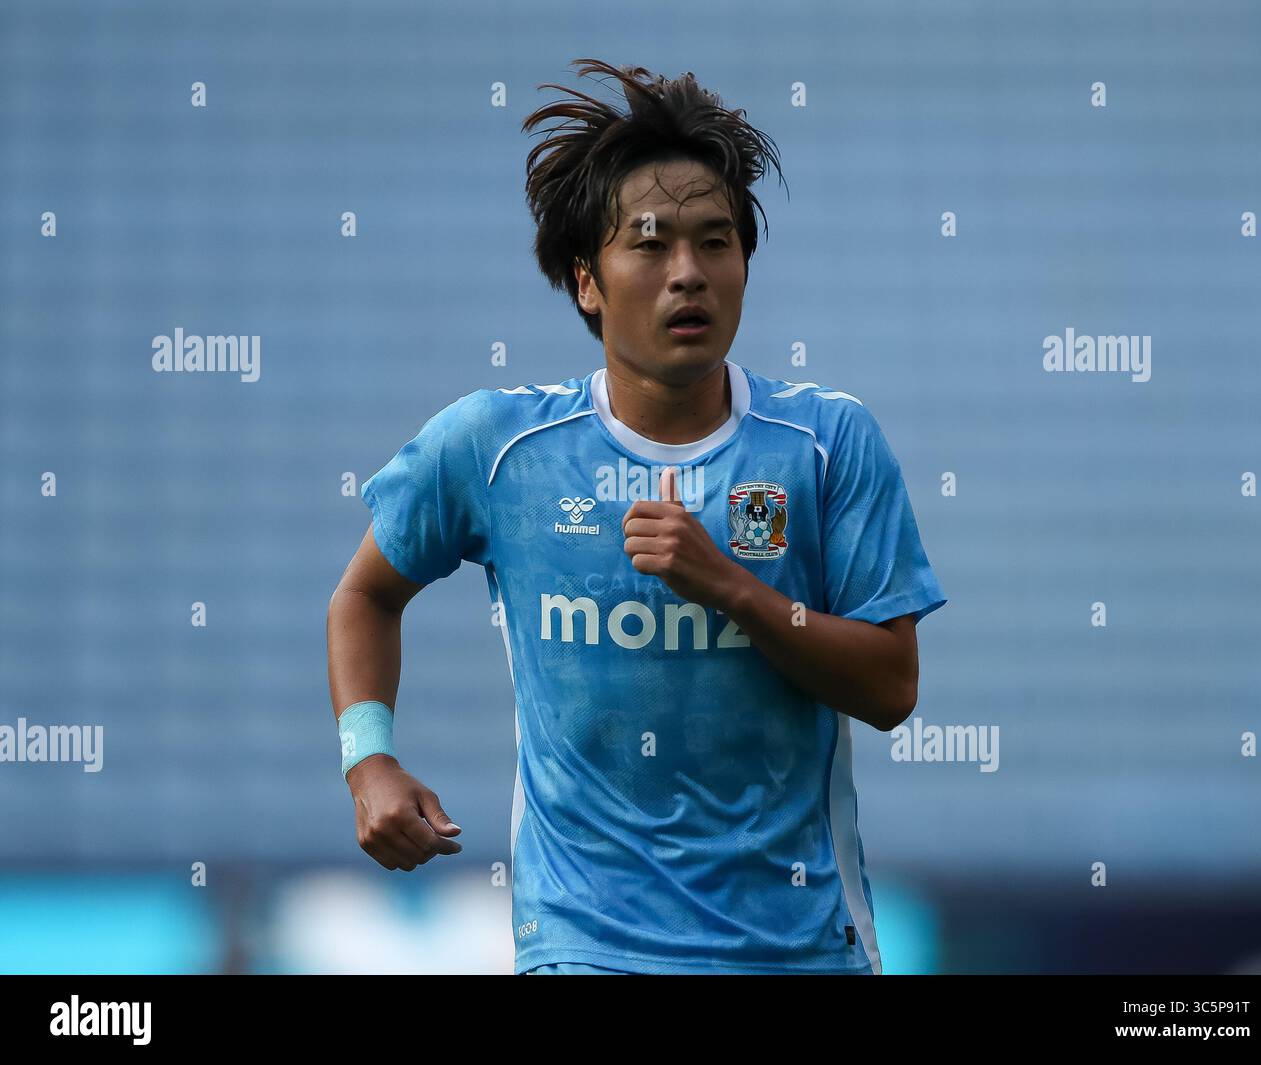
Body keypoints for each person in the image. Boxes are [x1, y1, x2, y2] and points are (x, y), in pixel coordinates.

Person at [326, 58, 947, 975]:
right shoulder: (496, 447)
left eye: (716, 242)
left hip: (796, 945)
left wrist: (732, 588)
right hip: (583, 944)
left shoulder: (824, 443)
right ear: (587, 279)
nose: (687, 274)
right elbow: (365, 594)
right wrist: (368, 759)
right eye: (651, 245)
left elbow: (892, 688)